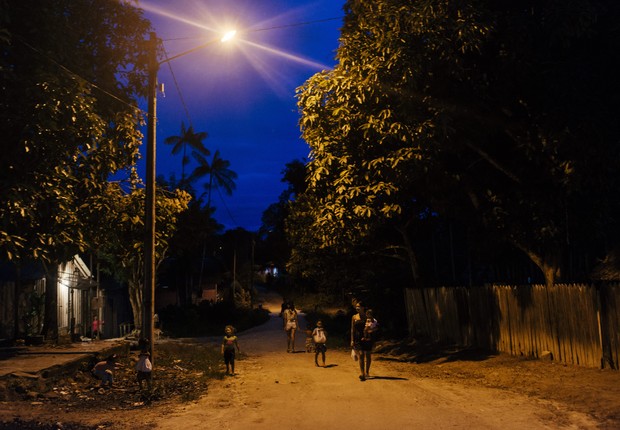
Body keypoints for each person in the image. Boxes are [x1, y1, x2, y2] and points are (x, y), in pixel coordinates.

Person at [351, 301, 376, 381]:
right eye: (356, 306)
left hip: (367, 337)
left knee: (368, 355)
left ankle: (367, 372)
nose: (357, 308)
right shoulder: (354, 317)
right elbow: (352, 329)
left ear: (363, 308)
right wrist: (352, 340)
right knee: (361, 354)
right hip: (358, 338)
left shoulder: (367, 316)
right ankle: (362, 373)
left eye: (359, 306)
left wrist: (371, 331)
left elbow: (374, 325)